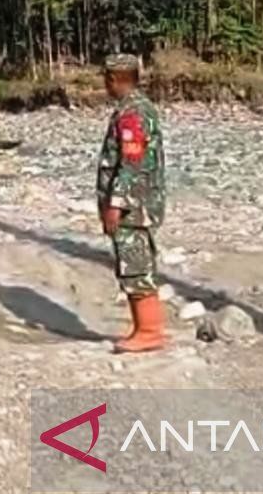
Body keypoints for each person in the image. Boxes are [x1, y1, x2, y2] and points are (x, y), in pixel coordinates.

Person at [95, 53, 167, 353]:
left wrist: (116, 203)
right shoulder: (138, 108)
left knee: (136, 266)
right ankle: (143, 329)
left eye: (106, 79)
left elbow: (131, 162)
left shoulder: (132, 113)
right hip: (139, 203)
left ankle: (150, 331)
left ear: (114, 79)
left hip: (134, 207)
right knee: (132, 264)